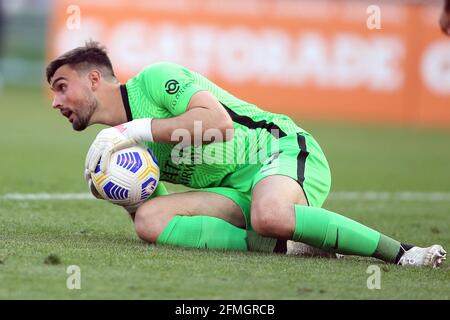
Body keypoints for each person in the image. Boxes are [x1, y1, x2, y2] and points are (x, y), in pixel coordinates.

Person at [46, 41, 446, 267]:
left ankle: (403, 253)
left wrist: (136, 129)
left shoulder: (156, 79)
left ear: (94, 79)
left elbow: (218, 124)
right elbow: (155, 205)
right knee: (149, 222)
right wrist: (120, 190)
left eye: (62, 87)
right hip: (232, 188)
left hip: (279, 148)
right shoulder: (119, 146)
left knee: (268, 215)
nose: (55, 101)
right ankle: (290, 247)